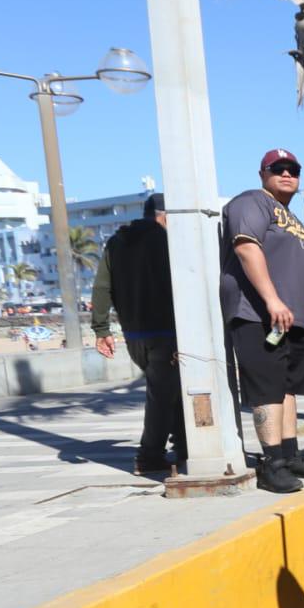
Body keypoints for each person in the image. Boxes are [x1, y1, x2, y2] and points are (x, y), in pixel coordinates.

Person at [221, 149, 304, 493]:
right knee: (267, 388)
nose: (286, 173)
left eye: (293, 169)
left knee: (288, 388)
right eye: (277, 168)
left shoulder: (292, 217)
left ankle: (290, 454)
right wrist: (271, 300)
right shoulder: (252, 201)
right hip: (257, 315)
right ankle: (272, 463)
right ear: (262, 172)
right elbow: (246, 247)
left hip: (291, 318)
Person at [92, 194, 186, 474]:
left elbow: (101, 288)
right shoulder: (166, 241)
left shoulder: (117, 241)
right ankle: (149, 455)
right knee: (162, 395)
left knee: (171, 391)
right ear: (165, 216)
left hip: (134, 336)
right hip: (166, 331)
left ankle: (183, 443)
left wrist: (101, 329)